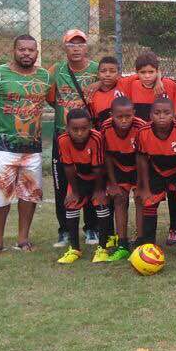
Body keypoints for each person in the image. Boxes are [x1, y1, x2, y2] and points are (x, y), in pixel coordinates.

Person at [0, 35, 52, 256]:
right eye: (22, 49)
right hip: (4, 147)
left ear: (37, 53)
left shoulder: (45, 77)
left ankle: (23, 239)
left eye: (31, 50)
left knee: (29, 194)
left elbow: (54, 99)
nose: (26, 53)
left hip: (32, 149)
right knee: (0, 195)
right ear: (13, 50)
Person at [112, 52, 176, 245]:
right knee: (146, 192)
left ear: (158, 72)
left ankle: (174, 228)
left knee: (173, 190)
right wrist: (157, 76)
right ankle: (140, 236)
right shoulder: (130, 84)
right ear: (137, 73)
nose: (148, 76)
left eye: (152, 72)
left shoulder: (168, 86)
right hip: (139, 146)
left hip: (162, 146)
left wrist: (161, 78)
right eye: (144, 72)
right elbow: (120, 77)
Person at [46, 29, 100, 249]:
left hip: (89, 137)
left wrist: (96, 85)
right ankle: (65, 231)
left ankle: (92, 228)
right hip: (63, 135)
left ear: (86, 47)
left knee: (90, 181)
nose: (76, 48)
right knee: (62, 185)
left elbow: (109, 86)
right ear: (64, 47)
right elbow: (51, 99)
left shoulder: (97, 70)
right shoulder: (56, 70)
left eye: (80, 44)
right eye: (71, 44)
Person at [135, 96, 176, 250]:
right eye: (157, 113)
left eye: (166, 113)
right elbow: (141, 159)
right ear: (150, 115)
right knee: (149, 202)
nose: (161, 116)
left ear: (173, 114)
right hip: (156, 170)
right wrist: (144, 187)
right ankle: (149, 247)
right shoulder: (143, 132)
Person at [53, 109, 111, 264]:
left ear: (90, 126)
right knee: (71, 204)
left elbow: (98, 168)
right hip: (78, 179)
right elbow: (68, 167)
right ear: (67, 128)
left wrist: (99, 190)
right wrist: (75, 192)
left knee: (101, 204)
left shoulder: (97, 137)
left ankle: (102, 249)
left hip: (97, 178)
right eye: (75, 129)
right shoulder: (62, 140)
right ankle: (74, 249)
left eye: (84, 129)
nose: (80, 133)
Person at [99, 96, 143, 262]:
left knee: (140, 199)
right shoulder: (106, 127)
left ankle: (140, 242)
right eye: (119, 117)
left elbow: (144, 157)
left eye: (128, 116)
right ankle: (123, 243)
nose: (124, 120)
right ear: (112, 115)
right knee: (119, 199)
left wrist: (142, 184)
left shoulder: (141, 127)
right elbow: (107, 155)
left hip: (138, 167)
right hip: (117, 166)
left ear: (134, 113)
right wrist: (112, 182)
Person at [87, 56, 122, 124]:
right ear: (98, 74)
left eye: (112, 71)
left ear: (118, 74)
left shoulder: (125, 84)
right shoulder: (93, 95)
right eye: (103, 71)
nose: (107, 74)